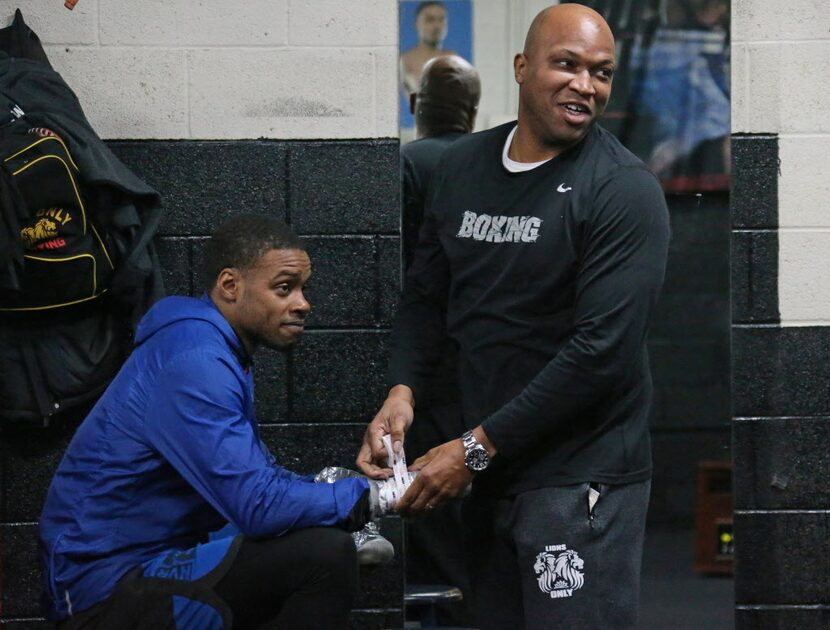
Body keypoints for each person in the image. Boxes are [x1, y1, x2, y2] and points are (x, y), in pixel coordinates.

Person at [359, 4, 670, 629]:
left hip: (577, 478)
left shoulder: (623, 192)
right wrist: (402, 390)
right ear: (523, 68)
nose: (586, 85)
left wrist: (472, 450)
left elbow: (599, 356)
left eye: (602, 73)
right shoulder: (461, 169)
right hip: (490, 470)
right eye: (568, 65)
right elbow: (426, 299)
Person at [39, 215, 388, 630]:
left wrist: (326, 492)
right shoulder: (195, 360)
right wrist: (379, 495)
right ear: (230, 286)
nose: (303, 303)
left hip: (151, 563)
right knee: (324, 555)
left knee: (307, 542)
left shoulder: (216, 349)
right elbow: (258, 506)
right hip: (103, 591)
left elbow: (253, 481)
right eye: (284, 288)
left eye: (303, 289)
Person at [399, 53, 480, 627]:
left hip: (423, 367)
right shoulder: (491, 166)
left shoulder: (406, 165)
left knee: (425, 498)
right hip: (486, 365)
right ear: (474, 115)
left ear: (413, 106)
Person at [400, 1, 455, 97]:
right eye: (430, 20)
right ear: (416, 24)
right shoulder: (404, 61)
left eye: (441, 20)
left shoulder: (453, 59)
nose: (436, 26)